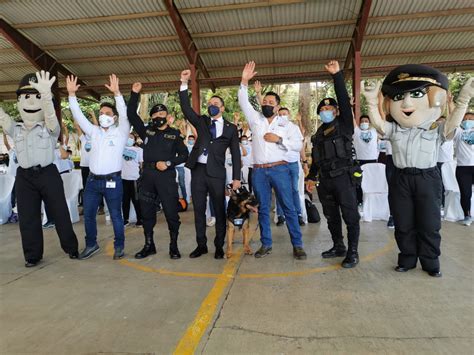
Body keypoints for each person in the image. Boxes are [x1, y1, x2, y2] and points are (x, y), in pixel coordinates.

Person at [362, 66, 473, 277]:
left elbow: (454, 122)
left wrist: (464, 98)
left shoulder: (437, 130)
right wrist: (370, 100)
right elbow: (378, 123)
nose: (406, 103)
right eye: (399, 96)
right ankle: (407, 259)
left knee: (429, 223)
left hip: (427, 178)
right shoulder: (394, 130)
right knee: (403, 221)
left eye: (416, 94)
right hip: (401, 178)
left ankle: (431, 262)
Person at [0, 71, 79, 267]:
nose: (31, 102)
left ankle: (71, 248)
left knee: (60, 212)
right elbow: (1, 117)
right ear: (19, 101)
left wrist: (46, 96)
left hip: (48, 174)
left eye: (36, 96)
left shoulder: (49, 128)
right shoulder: (15, 128)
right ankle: (32, 255)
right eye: (26, 97)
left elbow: (51, 118)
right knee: (28, 217)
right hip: (25, 176)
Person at [238, 61, 307, 260]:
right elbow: (243, 101)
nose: (266, 104)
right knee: (262, 209)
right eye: (264, 102)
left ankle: (298, 245)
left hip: (280, 169)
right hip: (259, 171)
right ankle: (266, 244)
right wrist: (244, 81)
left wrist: (280, 139)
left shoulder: (288, 125)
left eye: (271, 103)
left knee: (288, 207)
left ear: (277, 107)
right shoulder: (255, 120)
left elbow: (297, 145)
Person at [179, 70, 241, 259]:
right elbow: (186, 109)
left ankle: (219, 246)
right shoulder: (202, 121)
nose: (211, 106)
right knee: (198, 210)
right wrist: (183, 83)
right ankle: (201, 245)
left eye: (215, 104)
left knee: (219, 209)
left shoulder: (230, 128)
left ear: (222, 108)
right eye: (210, 104)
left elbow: (236, 154)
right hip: (198, 170)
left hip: (216, 173)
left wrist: (237, 178)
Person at [67, 74, 130, 260]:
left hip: (113, 181)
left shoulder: (121, 132)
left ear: (115, 118)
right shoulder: (93, 131)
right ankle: (91, 244)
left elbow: (125, 114)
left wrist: (117, 93)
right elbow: (78, 116)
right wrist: (71, 95)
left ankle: (119, 246)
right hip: (93, 182)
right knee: (88, 216)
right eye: (101, 113)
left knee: (117, 216)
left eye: (107, 114)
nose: (103, 116)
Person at [306, 60, 361, 268]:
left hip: (344, 178)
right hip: (326, 180)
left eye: (330, 108)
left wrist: (337, 76)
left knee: (350, 216)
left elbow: (344, 102)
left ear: (336, 111)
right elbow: (316, 159)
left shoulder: (345, 124)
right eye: (323, 109)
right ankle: (338, 246)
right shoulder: (318, 133)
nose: (326, 110)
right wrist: (311, 176)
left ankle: (353, 252)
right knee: (331, 216)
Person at [128, 82, 188, 259]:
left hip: (166, 178)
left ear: (167, 117)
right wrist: (134, 94)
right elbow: (131, 114)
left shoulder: (175, 134)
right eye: (155, 114)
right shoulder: (146, 131)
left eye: (162, 114)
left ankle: (173, 246)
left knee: (171, 212)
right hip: (147, 177)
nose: (158, 117)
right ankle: (149, 245)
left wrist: (169, 163)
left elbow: (184, 155)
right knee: (146, 212)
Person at [275, 107, 305, 226]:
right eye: (280, 114)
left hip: (293, 163)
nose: (283, 116)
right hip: (279, 163)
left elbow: (301, 145)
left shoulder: (294, 128)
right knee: (280, 190)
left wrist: (305, 162)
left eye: (285, 114)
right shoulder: (274, 127)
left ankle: (298, 214)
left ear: (289, 114)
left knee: (294, 190)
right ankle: (280, 215)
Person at [353, 114, 379, 205]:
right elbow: (351, 118)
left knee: (371, 182)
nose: (364, 123)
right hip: (359, 161)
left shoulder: (374, 131)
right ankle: (359, 201)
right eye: (362, 121)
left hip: (372, 161)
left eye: (366, 121)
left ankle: (371, 203)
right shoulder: (356, 131)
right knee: (358, 183)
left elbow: (378, 119)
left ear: (369, 123)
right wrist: (350, 105)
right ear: (359, 123)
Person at [454, 112, 474, 226]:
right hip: (463, 168)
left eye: (471, 118)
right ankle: (467, 216)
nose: (467, 120)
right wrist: (450, 103)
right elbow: (454, 116)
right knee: (466, 194)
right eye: (465, 118)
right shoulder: (458, 131)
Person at [121, 133, 143, 227]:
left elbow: (141, 164)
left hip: (134, 178)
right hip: (123, 178)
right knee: (125, 200)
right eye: (127, 137)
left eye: (131, 137)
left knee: (136, 200)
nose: (129, 139)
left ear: (134, 140)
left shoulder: (139, 150)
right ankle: (125, 220)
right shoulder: (120, 149)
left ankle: (140, 219)